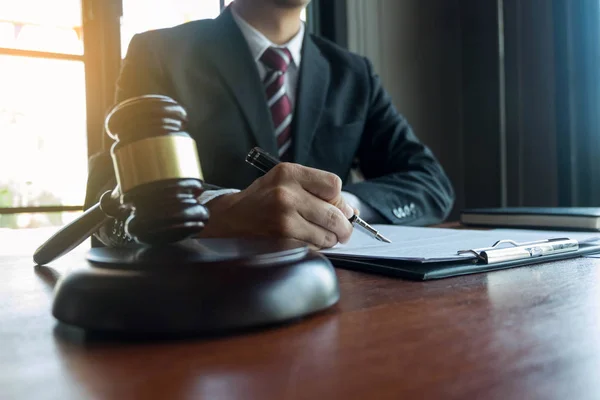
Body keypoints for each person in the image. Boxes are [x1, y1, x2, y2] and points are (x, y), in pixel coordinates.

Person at [84, 0, 455, 249]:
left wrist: (339, 205)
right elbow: (108, 193)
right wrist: (221, 210)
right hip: (196, 308)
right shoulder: (159, 55)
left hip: (337, 303)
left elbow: (431, 183)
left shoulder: (353, 74)